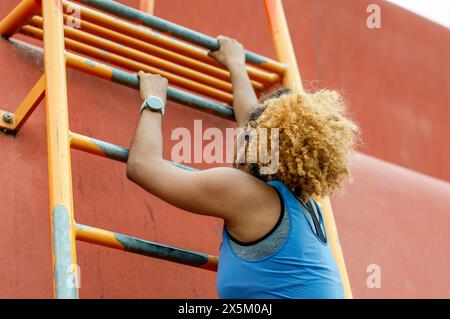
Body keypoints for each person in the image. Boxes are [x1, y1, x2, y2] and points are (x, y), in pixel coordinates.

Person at [126, 36, 359, 299]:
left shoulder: (245, 193)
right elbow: (252, 117)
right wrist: (236, 65)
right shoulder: (305, 205)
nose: (239, 137)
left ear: (260, 145)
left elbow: (141, 166)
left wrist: (154, 101)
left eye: (248, 135)